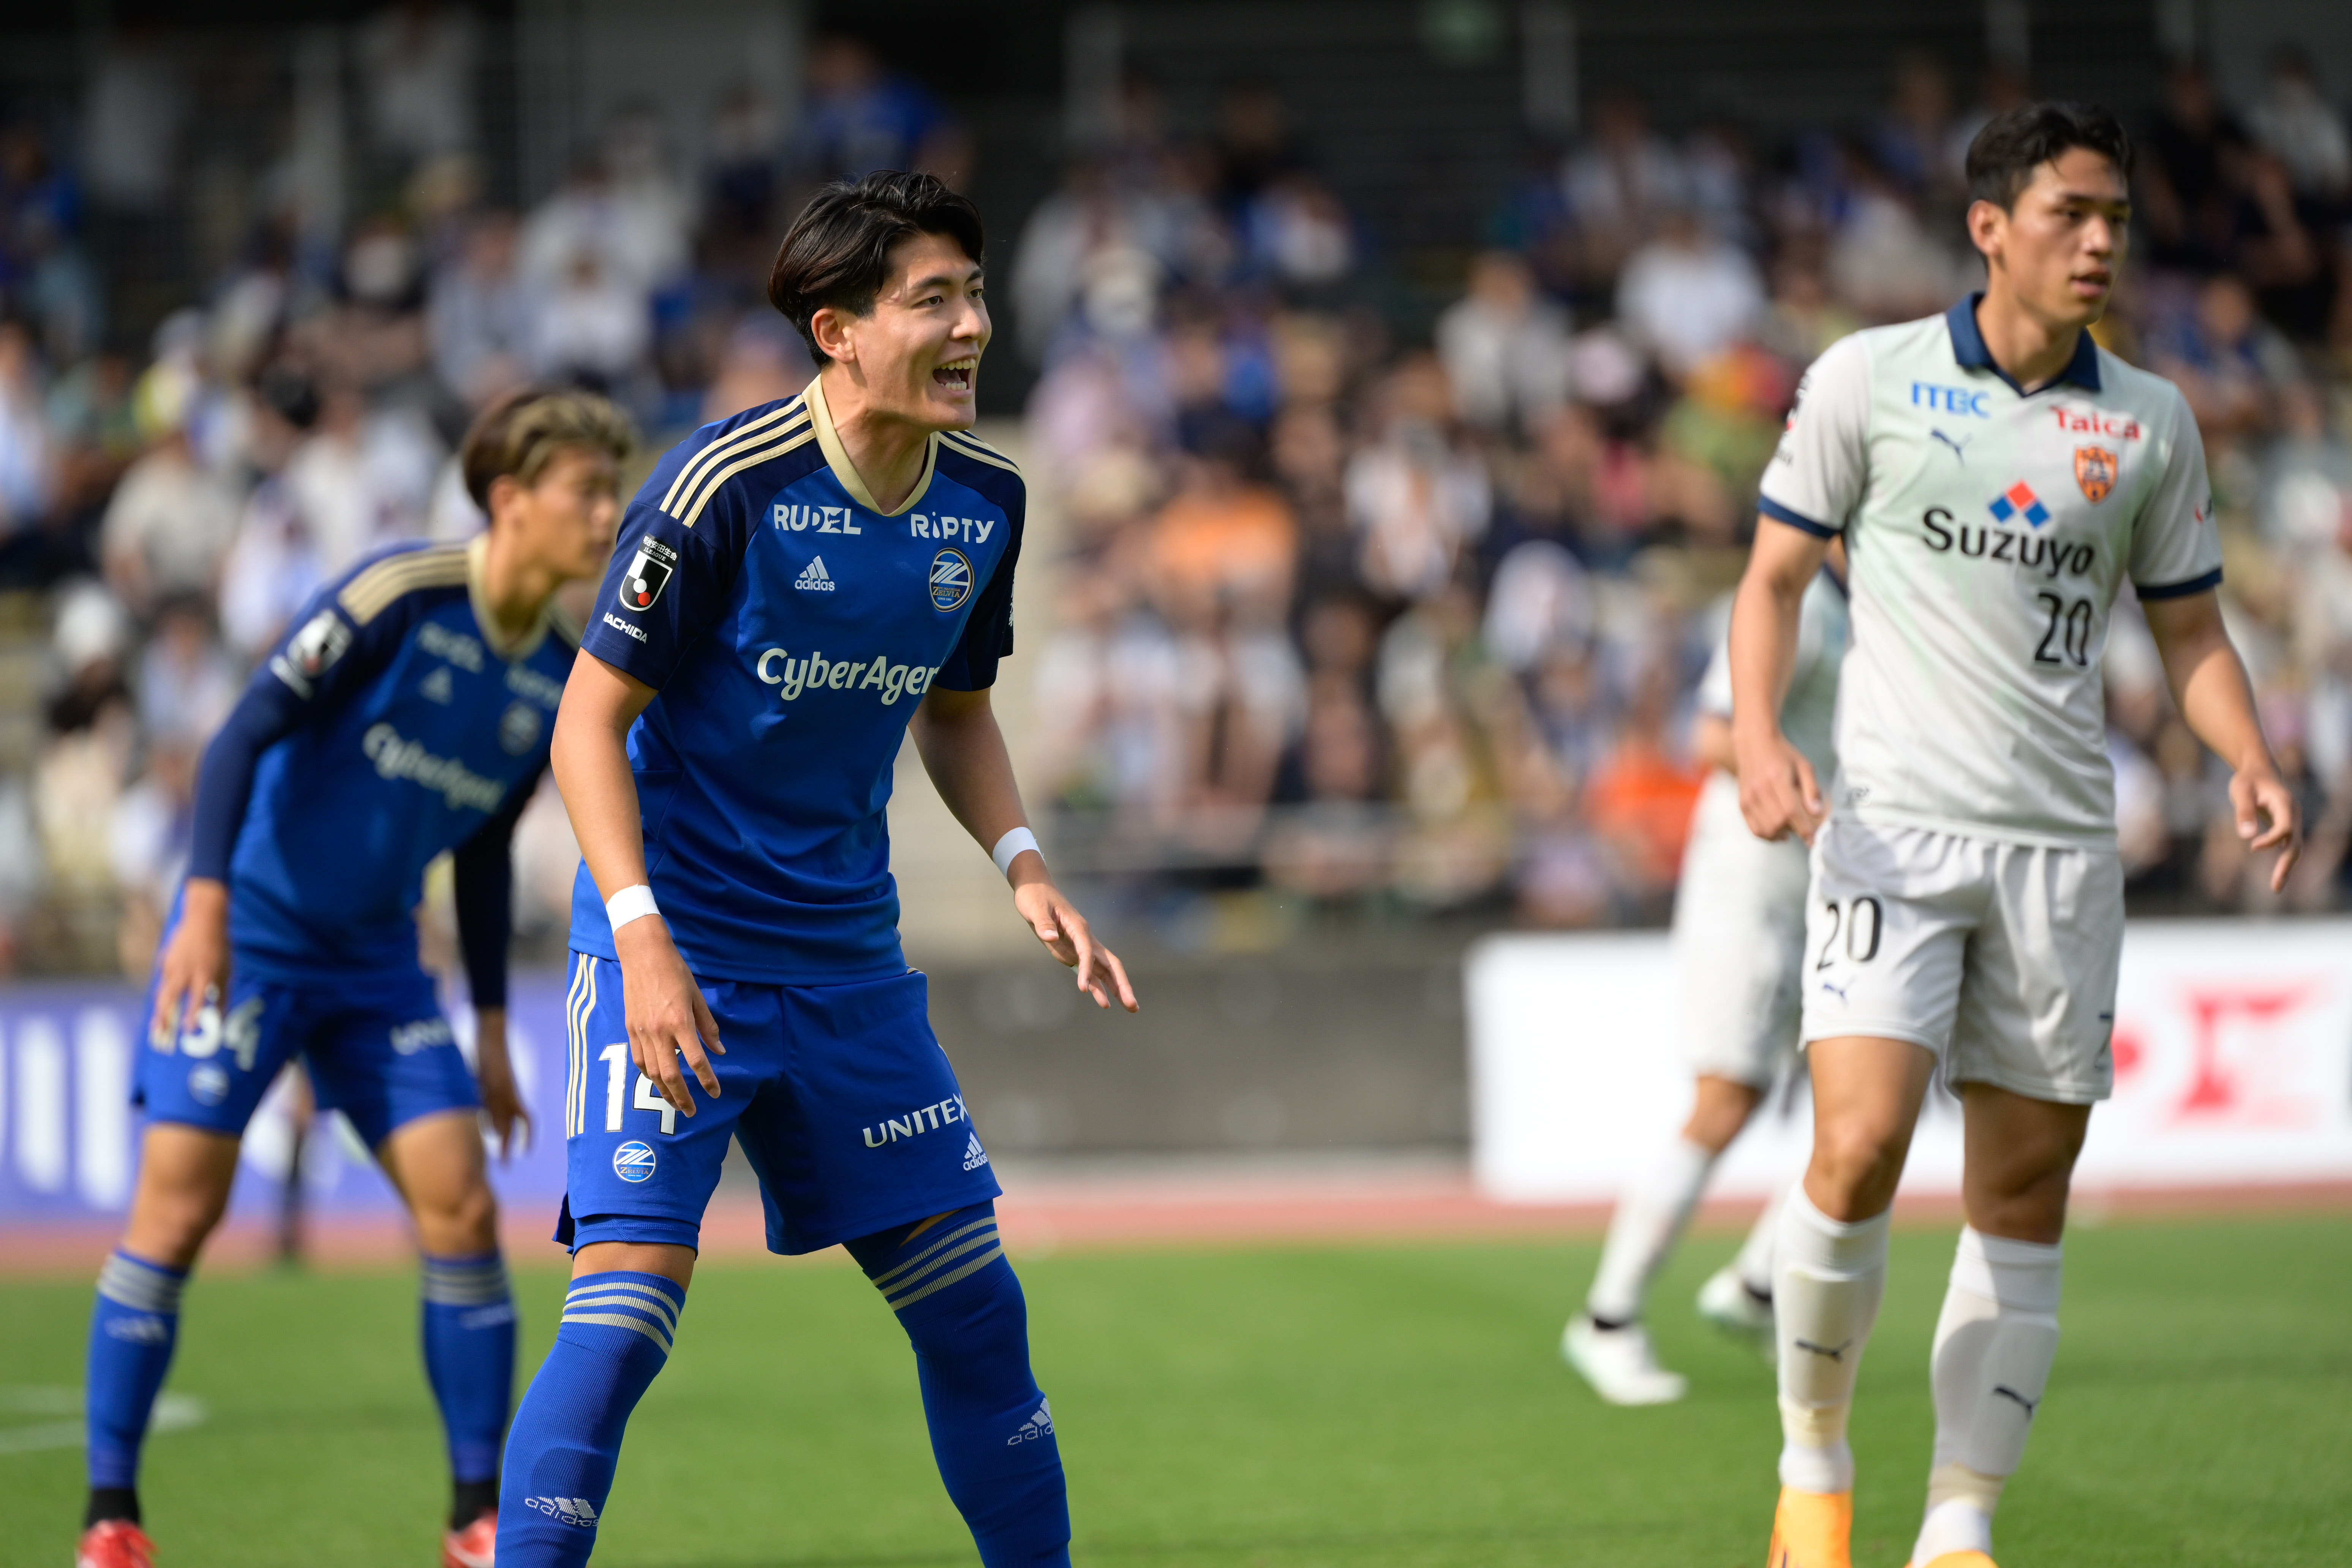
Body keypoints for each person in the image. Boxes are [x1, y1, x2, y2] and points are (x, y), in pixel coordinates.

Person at [495, 170, 1136, 1568]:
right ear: (838, 331)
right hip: (678, 955)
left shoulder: (986, 501)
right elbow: (585, 722)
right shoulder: (722, 486)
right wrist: (640, 938)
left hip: (848, 969)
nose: (972, 326)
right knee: (621, 1323)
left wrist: (1025, 863)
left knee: (978, 1314)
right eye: (933, 300)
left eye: (975, 294)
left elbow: (956, 712)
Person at [1729, 103, 2299, 1568]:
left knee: (2023, 1192)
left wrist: (2247, 751)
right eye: (2070, 215)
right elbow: (1773, 576)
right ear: (1990, 228)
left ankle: (1959, 1523)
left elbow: (2191, 633)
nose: (2100, 243)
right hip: (1894, 830)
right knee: (1856, 1145)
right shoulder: (1868, 379)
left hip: (2058, 851)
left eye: (2116, 219)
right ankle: (1812, 1469)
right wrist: (1756, 731)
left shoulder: (2150, 420)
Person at [75, 388, 632, 1568]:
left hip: (380, 963)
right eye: (587, 493)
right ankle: (109, 1516)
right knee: (179, 1211)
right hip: (253, 933)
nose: (607, 516)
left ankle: (474, 1517)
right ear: (509, 500)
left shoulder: (556, 676)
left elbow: (484, 855)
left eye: (611, 494)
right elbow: (241, 734)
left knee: (463, 1205)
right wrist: (204, 906)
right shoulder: (398, 595)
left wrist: (492, 1028)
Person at [1564, 545, 1847, 1404]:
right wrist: (1816, 803)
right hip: (1753, 881)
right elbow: (1714, 734)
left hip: (1819, 884)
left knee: (1862, 1097)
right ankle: (1608, 1317)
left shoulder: (1874, 604)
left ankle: (1759, 1284)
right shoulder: (1800, 601)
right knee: (1727, 1095)